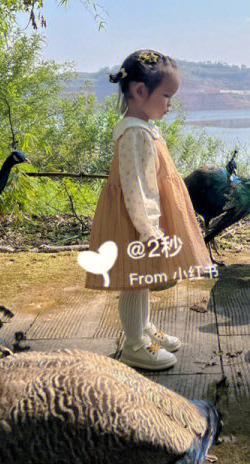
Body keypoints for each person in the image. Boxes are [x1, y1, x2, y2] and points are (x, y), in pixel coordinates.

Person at [84, 50, 214, 371]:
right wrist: (148, 229)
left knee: (141, 278)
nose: (170, 103)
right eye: (166, 96)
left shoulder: (144, 127)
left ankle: (142, 327)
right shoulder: (134, 134)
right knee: (134, 280)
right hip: (135, 220)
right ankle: (133, 343)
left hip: (143, 217)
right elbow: (136, 188)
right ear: (140, 91)